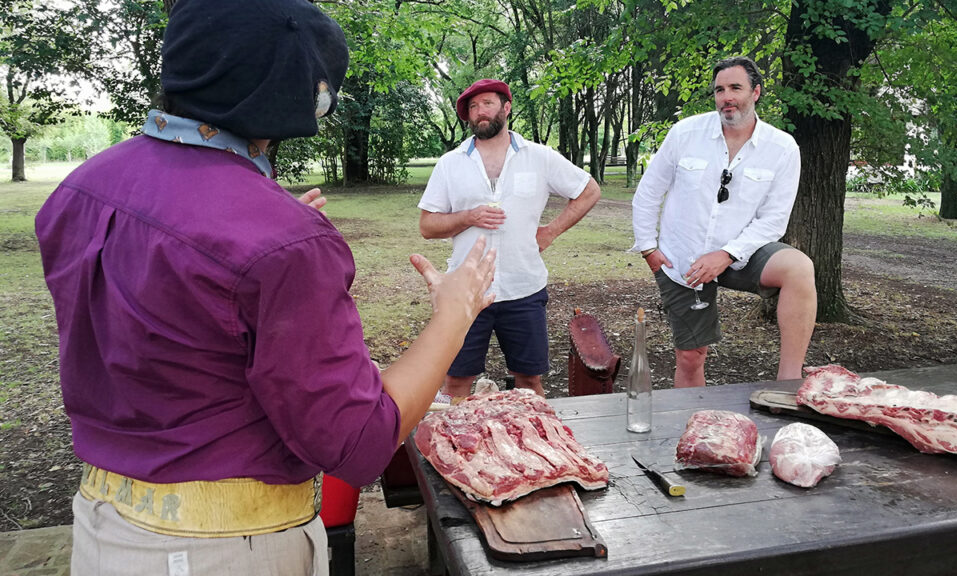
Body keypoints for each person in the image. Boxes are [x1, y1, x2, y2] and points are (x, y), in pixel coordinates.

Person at [34, 1, 494, 574]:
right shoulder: (281, 243)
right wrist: (454, 312)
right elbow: (358, 442)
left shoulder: (80, 188)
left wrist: (252, 252)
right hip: (224, 549)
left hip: (101, 528)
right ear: (306, 97)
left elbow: (154, 313)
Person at [631, 56, 816, 388]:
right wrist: (648, 248)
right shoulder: (685, 133)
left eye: (735, 88)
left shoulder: (782, 148)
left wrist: (727, 254)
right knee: (691, 357)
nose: (726, 97)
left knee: (799, 268)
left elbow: (773, 221)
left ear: (756, 92)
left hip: (742, 253)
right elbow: (647, 193)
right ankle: (695, 428)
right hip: (684, 258)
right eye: (719, 90)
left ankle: (788, 384)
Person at [418, 79, 601, 398]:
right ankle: (457, 448)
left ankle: (532, 444)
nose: (479, 112)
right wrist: (468, 216)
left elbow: (589, 191)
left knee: (529, 382)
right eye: (473, 107)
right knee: (456, 383)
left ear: (506, 107)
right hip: (467, 291)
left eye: (487, 103)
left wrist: (550, 231)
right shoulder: (451, 163)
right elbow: (427, 225)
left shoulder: (539, 157)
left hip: (523, 288)